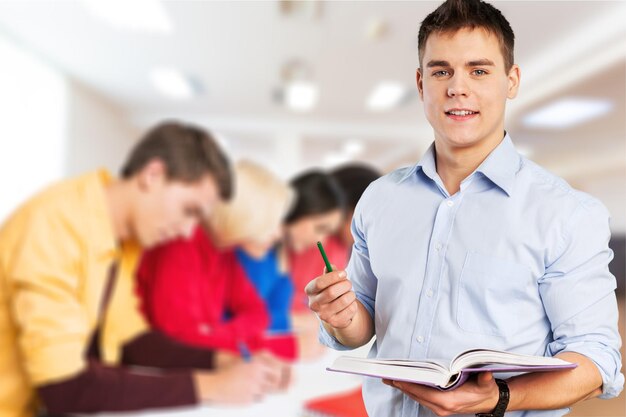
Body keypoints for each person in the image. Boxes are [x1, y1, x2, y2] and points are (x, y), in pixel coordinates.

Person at [305, 1, 624, 417]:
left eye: (479, 70)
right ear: (421, 84)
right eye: (441, 71)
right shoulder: (380, 199)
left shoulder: (566, 213)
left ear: (511, 81)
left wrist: (500, 398)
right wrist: (339, 317)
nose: (458, 87)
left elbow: (598, 361)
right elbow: (362, 327)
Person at [0, 121, 285, 417]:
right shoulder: (56, 224)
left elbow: (129, 340)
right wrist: (211, 386)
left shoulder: (119, 233)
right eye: (190, 210)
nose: (189, 232)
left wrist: (219, 360)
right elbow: (66, 387)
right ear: (153, 175)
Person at [138, 160, 296, 360]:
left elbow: (258, 313)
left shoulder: (224, 252)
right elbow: (182, 342)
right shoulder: (180, 244)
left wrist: (214, 334)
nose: (278, 235)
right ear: (244, 214)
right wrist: (270, 346)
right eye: (270, 222)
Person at [283, 170, 346, 359]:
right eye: (319, 228)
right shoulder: (259, 247)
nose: (321, 239)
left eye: (328, 232)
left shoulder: (330, 251)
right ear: (297, 209)